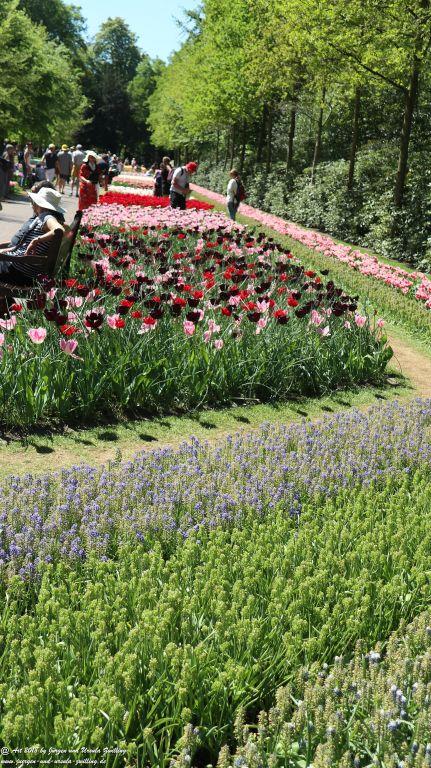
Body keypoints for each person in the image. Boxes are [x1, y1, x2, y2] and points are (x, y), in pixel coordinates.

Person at [0, 186, 65, 285]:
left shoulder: (47, 217)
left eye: (34, 202)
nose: (33, 205)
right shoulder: (44, 217)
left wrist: (36, 240)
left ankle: (6, 300)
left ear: (40, 205)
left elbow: (59, 230)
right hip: (22, 269)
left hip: (19, 272)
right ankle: (6, 300)